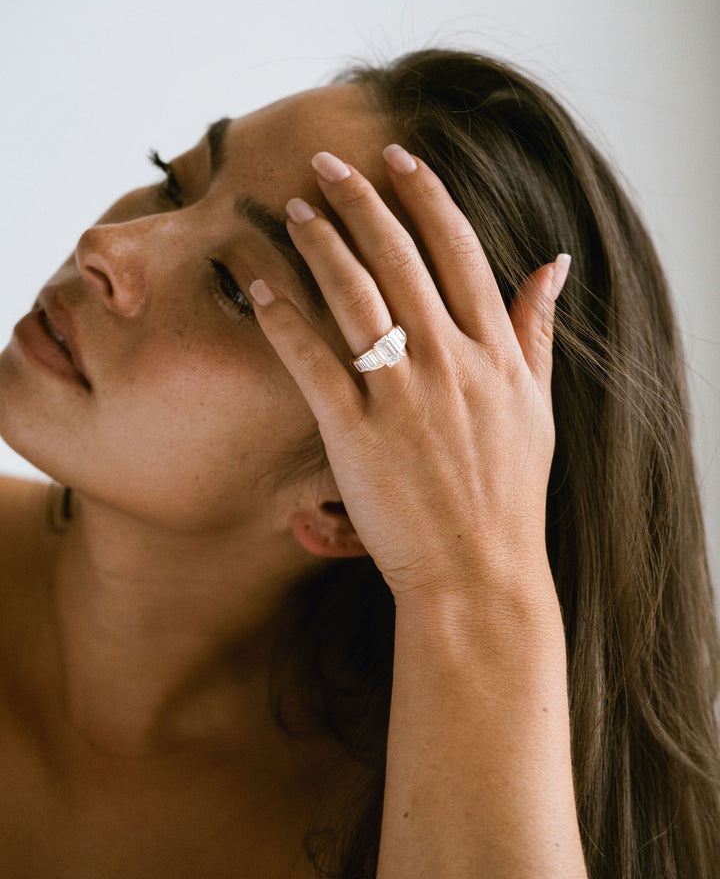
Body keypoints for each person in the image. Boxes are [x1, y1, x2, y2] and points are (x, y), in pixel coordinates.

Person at [0, 48, 717, 879]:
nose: (107, 245)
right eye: (173, 181)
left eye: (236, 288)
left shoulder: (394, 815)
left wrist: (474, 574)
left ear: (346, 507)